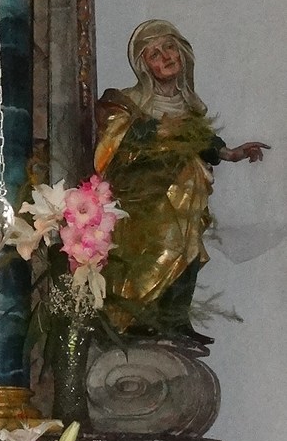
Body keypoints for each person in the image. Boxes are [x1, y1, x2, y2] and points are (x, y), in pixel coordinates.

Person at [95, 18, 268, 338]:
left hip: (187, 199)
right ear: (144, 66)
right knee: (153, 254)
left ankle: (175, 319)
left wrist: (231, 153)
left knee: (187, 249)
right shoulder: (127, 100)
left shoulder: (189, 106)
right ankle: (138, 317)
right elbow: (111, 146)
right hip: (146, 200)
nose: (166, 57)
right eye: (154, 54)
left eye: (169, 47)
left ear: (182, 51)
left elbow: (201, 141)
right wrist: (159, 130)